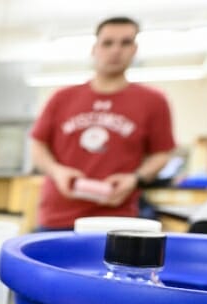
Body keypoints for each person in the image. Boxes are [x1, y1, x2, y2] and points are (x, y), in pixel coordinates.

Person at [30, 17, 175, 230]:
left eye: (125, 43)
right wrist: (57, 171)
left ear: (134, 49)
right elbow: (37, 145)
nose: (116, 50)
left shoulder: (153, 101)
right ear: (94, 48)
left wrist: (135, 179)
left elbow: (162, 153)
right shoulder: (62, 98)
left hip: (117, 218)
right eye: (108, 43)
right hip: (58, 216)